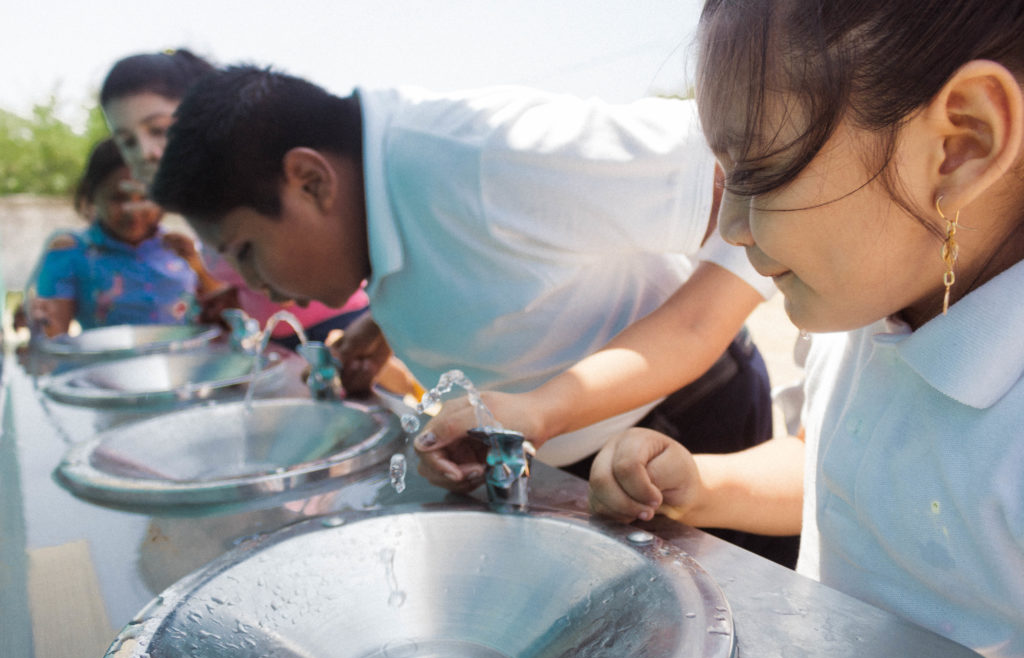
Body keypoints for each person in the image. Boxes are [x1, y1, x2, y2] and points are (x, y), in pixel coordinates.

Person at [150, 66, 801, 567]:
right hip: (559, 454)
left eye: (246, 251)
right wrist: (382, 326)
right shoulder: (366, 202)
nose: (255, 282)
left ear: (311, 181)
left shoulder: (486, 154)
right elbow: (473, 259)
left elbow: (754, 173)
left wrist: (547, 406)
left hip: (681, 430)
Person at [587, 0, 1024, 658]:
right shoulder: (864, 308)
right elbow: (828, 461)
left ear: (960, 144)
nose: (730, 226)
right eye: (725, 178)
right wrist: (702, 483)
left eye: (759, 170)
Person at [99, 48, 370, 351]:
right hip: (279, 337)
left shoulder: (260, 184)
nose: (145, 152)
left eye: (160, 130)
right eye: (127, 142)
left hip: (333, 327)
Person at [29, 138, 209, 336]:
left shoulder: (182, 249)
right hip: (107, 366)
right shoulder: (70, 250)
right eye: (118, 198)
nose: (132, 211)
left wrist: (201, 269)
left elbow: (222, 316)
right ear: (92, 193)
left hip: (183, 363)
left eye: (145, 197)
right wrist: (39, 321)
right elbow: (52, 339)